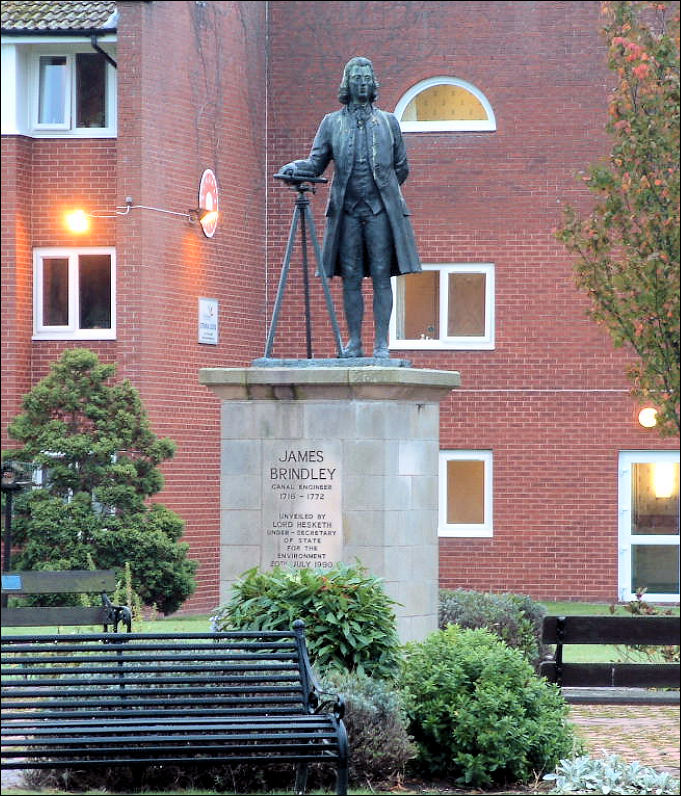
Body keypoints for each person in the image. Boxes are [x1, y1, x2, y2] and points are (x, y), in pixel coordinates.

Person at [280, 56, 421, 358]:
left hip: (380, 210)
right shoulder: (331, 123)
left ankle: (382, 344)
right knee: (351, 275)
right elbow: (316, 163)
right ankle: (354, 342)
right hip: (346, 210)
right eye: (356, 78)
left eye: (366, 78)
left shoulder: (388, 122)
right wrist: (295, 167)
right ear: (347, 83)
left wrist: (383, 192)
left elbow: (402, 167)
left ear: (373, 84)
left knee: (383, 274)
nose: (362, 83)